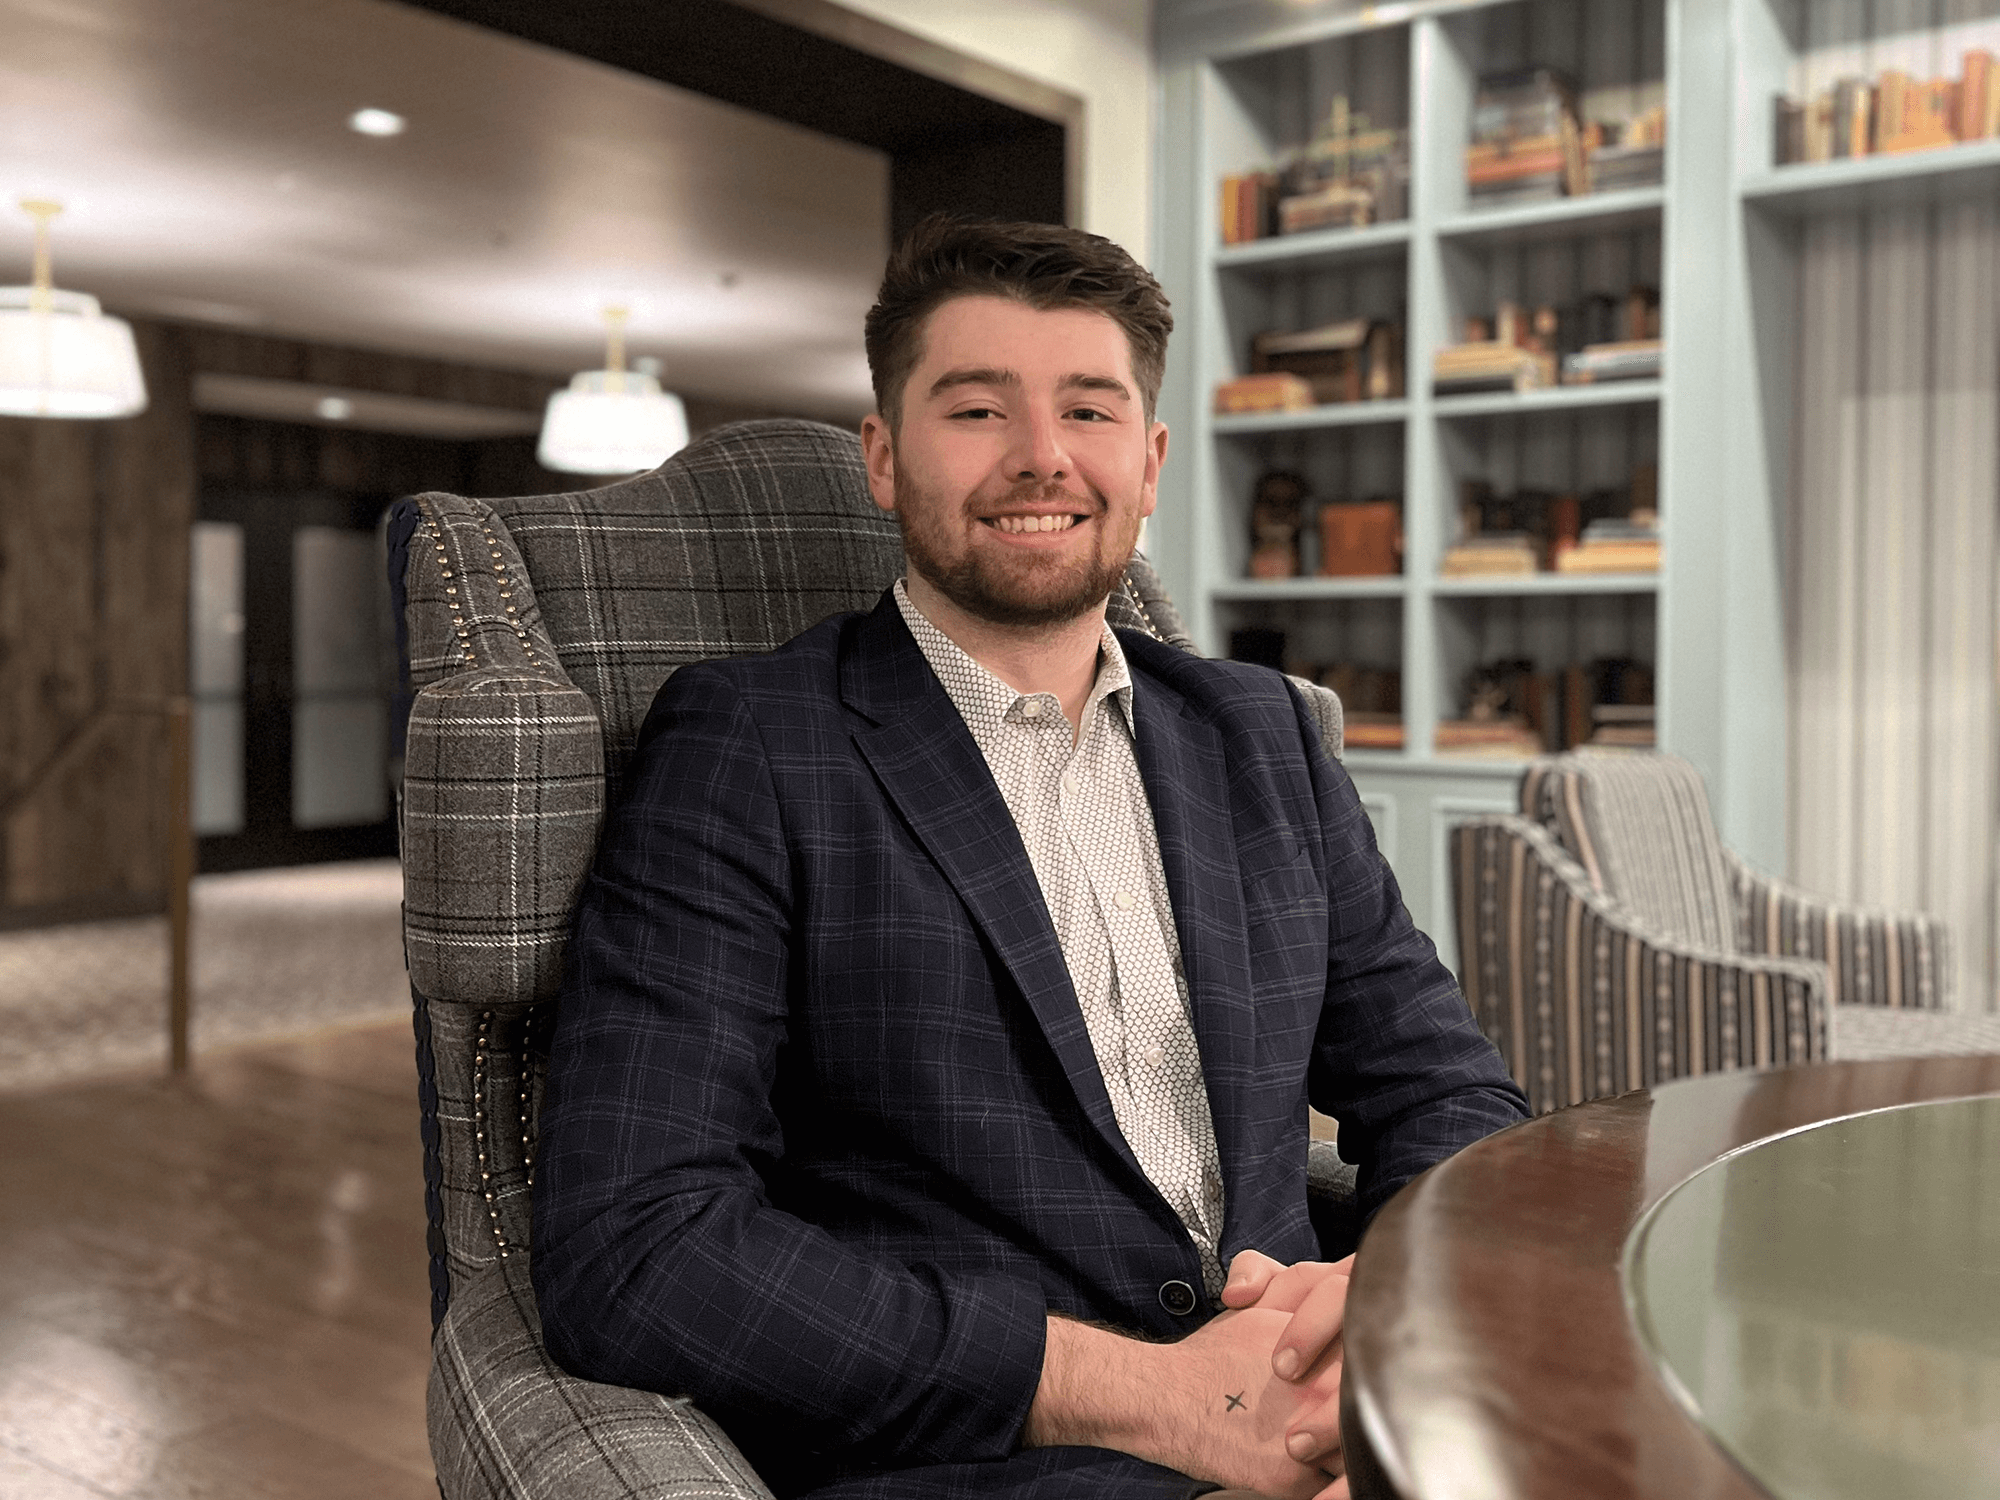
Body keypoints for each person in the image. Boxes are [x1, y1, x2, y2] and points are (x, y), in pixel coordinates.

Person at [533, 216, 1530, 1500]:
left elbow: (1446, 1090)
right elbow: (633, 1246)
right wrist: (1156, 1394)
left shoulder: (1259, 733)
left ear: (1152, 459)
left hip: (1315, 1399)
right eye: (976, 411)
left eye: (1089, 411)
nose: (1042, 458)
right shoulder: (750, 745)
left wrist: (1373, 1302)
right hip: (1003, 1453)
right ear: (884, 459)